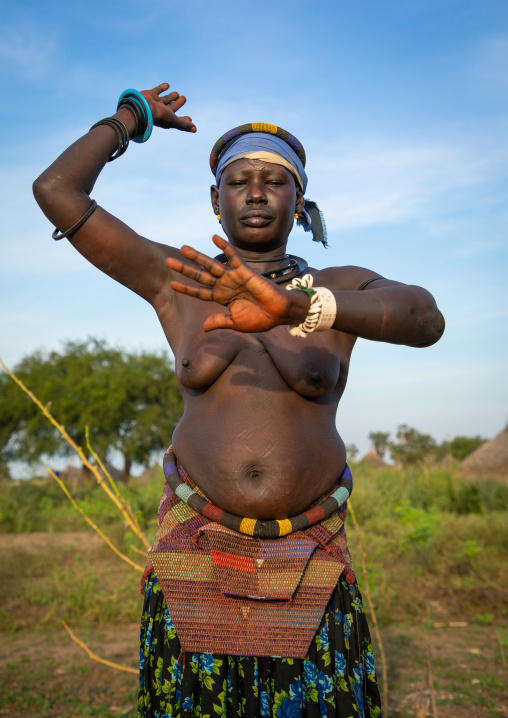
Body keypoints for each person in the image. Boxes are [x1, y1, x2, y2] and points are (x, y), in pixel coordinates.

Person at [33, 83, 444, 718]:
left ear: (299, 199)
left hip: (312, 554)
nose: (256, 192)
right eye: (239, 180)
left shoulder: (338, 289)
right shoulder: (182, 281)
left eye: (274, 180)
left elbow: (425, 317)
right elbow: (56, 194)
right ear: (215, 199)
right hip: (194, 546)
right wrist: (128, 120)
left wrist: (298, 307)